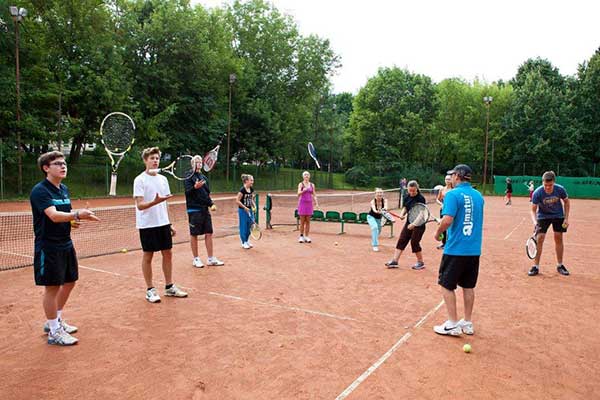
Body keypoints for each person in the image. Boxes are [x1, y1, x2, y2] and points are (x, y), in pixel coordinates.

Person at [30, 151, 100, 345]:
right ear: (46, 168)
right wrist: (78, 214)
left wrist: (72, 221)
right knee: (52, 287)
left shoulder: (63, 189)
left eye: (64, 163)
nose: (63, 166)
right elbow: (52, 215)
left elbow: (65, 214)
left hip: (65, 243)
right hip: (48, 246)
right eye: (58, 163)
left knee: (70, 282)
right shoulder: (40, 191)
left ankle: (55, 320)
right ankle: (54, 331)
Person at [432, 164, 484, 336]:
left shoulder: (452, 195)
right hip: (474, 249)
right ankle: (467, 323)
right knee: (468, 286)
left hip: (455, 249)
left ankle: (453, 323)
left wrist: (438, 232)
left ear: (458, 176)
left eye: (452, 175)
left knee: (446, 285)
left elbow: (447, 220)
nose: (451, 178)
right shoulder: (478, 196)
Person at [134, 147, 188, 303]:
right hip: (147, 224)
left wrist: (169, 222)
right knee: (148, 255)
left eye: (157, 158)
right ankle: (150, 289)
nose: (155, 161)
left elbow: (165, 204)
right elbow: (140, 205)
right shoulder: (140, 180)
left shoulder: (163, 180)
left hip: (162, 223)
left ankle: (169, 287)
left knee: (168, 253)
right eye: (152, 158)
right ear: (145, 160)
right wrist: (154, 202)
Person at [184, 155, 224, 268]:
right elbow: (187, 192)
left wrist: (211, 204)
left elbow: (206, 194)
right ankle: (196, 259)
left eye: (200, 162)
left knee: (209, 233)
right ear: (192, 164)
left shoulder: (204, 178)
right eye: (197, 162)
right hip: (193, 210)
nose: (199, 163)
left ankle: (210, 258)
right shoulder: (188, 177)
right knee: (194, 234)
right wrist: (194, 188)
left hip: (204, 210)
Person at [528, 171, 570, 276]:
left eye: (550, 185)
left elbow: (566, 202)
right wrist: (535, 222)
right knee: (540, 238)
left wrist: (566, 218)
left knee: (558, 237)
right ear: (542, 182)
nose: (547, 187)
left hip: (558, 215)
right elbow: (533, 210)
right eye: (545, 185)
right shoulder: (537, 192)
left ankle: (560, 265)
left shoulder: (560, 189)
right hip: (543, 216)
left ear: (554, 182)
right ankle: (535, 267)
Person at [385, 180, 427, 270]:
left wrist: (414, 224)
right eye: (410, 190)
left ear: (417, 189)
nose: (411, 192)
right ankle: (395, 261)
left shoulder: (421, 198)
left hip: (419, 224)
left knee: (414, 242)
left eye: (413, 191)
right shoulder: (407, 196)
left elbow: (421, 213)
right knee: (402, 240)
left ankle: (420, 262)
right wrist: (402, 214)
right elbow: (405, 207)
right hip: (409, 222)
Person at [297, 171, 319, 243]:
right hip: (302, 204)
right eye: (305, 175)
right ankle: (301, 236)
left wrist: (316, 203)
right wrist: (303, 190)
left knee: (308, 221)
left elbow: (314, 195)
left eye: (307, 175)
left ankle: (306, 236)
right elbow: (298, 194)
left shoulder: (312, 185)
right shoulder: (301, 184)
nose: (306, 176)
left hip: (309, 204)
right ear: (303, 176)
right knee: (302, 221)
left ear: (309, 176)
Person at [236, 174, 256, 249]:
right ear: (246, 181)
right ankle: (243, 242)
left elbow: (251, 199)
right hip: (242, 211)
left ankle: (247, 240)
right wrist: (244, 207)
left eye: (252, 180)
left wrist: (254, 205)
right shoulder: (242, 190)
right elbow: (237, 200)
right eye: (251, 180)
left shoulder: (251, 189)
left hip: (249, 210)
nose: (252, 182)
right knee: (243, 226)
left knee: (250, 225)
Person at [367, 188, 388, 252]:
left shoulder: (385, 200)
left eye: (381, 193)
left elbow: (386, 207)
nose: (379, 194)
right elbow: (374, 209)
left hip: (379, 218)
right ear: (375, 194)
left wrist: (383, 209)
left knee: (378, 231)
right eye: (378, 193)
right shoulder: (373, 201)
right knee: (375, 227)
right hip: (371, 217)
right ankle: (375, 245)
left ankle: (374, 238)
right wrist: (377, 211)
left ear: (382, 194)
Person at [435, 175, 453, 250]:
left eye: (449, 179)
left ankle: (450, 243)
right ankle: (444, 243)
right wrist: (441, 204)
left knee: (451, 226)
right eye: (446, 179)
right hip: (443, 210)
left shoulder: (454, 189)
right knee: (443, 226)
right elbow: (437, 200)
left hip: (451, 210)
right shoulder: (442, 189)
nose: (447, 180)